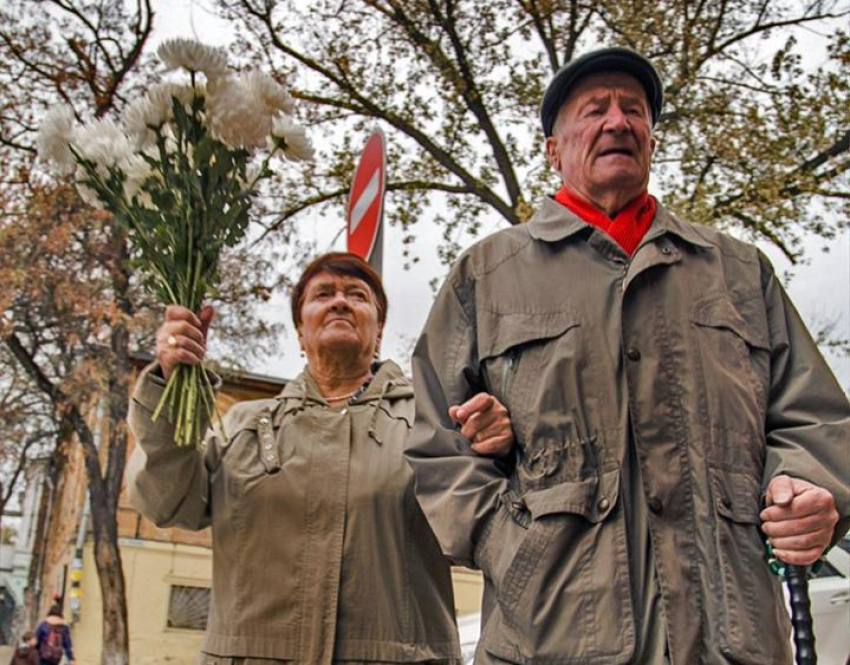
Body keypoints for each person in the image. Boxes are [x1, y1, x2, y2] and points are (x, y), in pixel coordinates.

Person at [406, 47, 849, 664]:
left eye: (634, 110)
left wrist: (808, 487)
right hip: (551, 641)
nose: (618, 122)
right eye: (594, 110)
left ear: (650, 138)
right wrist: (510, 542)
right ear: (554, 151)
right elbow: (435, 447)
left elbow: (815, 419)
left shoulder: (740, 272)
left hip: (733, 639)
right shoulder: (486, 276)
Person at [127, 252, 514, 665]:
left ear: (379, 330)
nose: (340, 302)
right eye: (323, 294)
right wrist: (171, 385)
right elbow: (165, 503)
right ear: (299, 332)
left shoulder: (431, 423)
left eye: (357, 295)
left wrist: (503, 450)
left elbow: (488, 529)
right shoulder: (242, 427)